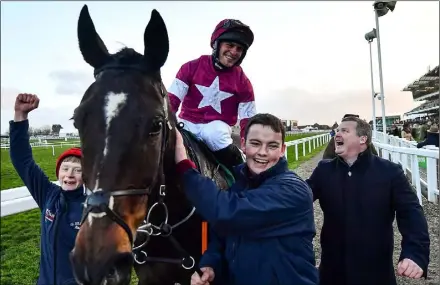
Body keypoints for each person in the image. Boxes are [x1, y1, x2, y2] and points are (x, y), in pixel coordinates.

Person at [174, 113, 319, 285]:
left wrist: (184, 167)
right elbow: (221, 234)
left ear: (282, 150)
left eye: (272, 146)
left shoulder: (294, 190)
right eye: (255, 143)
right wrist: (211, 265)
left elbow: (227, 213)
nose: (262, 152)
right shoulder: (240, 186)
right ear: (243, 144)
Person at [307, 116, 430, 285]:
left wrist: (415, 253)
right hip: (332, 270)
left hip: (376, 272)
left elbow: (411, 212)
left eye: (344, 130)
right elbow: (298, 200)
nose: (337, 134)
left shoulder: (390, 172)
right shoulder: (323, 170)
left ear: (363, 139)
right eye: (337, 130)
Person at [9, 93, 86, 285]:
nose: (69, 174)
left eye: (77, 170)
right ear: (58, 173)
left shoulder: (93, 207)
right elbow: (22, 160)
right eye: (65, 169)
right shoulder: (48, 194)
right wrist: (20, 116)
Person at [167, 18, 257, 171]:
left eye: (239, 48)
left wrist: (247, 143)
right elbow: (171, 102)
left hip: (218, 127)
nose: (234, 52)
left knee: (214, 134)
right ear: (216, 44)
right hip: (187, 124)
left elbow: (248, 119)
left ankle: (243, 176)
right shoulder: (190, 67)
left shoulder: (243, 82)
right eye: (229, 45)